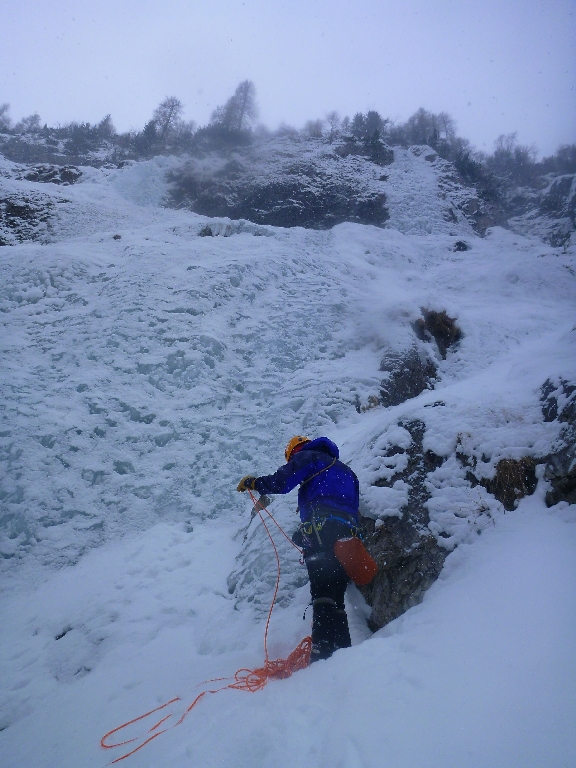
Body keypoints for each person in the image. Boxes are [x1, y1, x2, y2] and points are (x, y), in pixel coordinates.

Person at [237, 435, 360, 662]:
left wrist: (254, 483)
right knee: (336, 594)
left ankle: (321, 651)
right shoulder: (347, 472)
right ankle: (344, 654)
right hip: (348, 535)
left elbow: (282, 482)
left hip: (321, 528)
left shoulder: (308, 456)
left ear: (293, 452)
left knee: (321, 590)